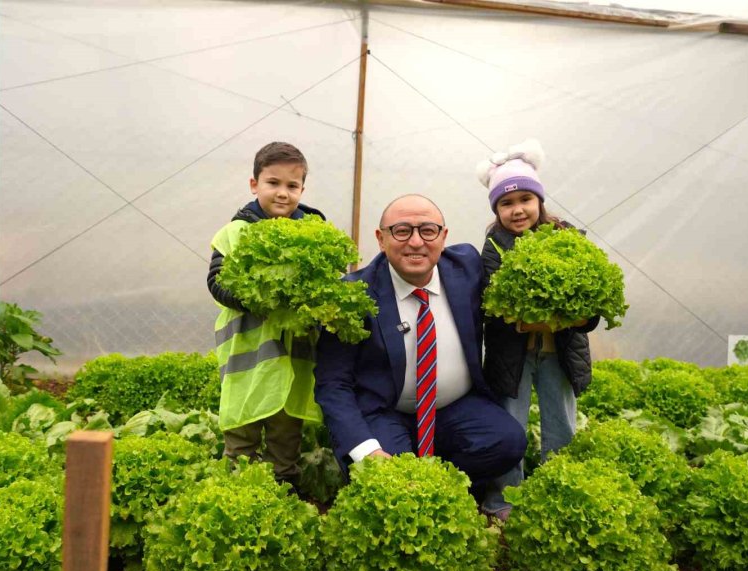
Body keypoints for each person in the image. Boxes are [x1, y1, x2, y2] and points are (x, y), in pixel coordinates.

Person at [314, 193, 527, 502]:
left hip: (455, 409)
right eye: (402, 231)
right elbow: (334, 384)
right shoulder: (352, 295)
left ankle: (437, 487)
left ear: (443, 237)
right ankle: (414, 482)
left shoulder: (466, 267)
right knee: (388, 481)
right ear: (381, 238)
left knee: (507, 441)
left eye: (428, 230)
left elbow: (511, 245)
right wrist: (367, 451)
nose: (416, 242)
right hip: (384, 411)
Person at [475, 139, 600, 517]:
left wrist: (545, 317)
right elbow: (495, 308)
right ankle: (502, 502)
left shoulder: (568, 238)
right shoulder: (494, 246)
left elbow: (589, 310)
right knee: (510, 430)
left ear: (540, 201)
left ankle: (556, 497)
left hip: (559, 355)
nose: (517, 210)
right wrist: (557, 315)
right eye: (506, 203)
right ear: (497, 209)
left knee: (560, 426)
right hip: (512, 357)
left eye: (525, 200)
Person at [207, 141, 325, 488]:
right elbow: (216, 283)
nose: (283, 193)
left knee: (286, 432)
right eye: (273, 183)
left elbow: (330, 284)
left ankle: (282, 490)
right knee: (241, 431)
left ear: (302, 189)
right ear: (254, 184)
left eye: (292, 186)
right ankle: (237, 492)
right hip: (248, 359)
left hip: (294, 357)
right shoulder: (235, 233)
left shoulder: (315, 232)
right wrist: (263, 301)